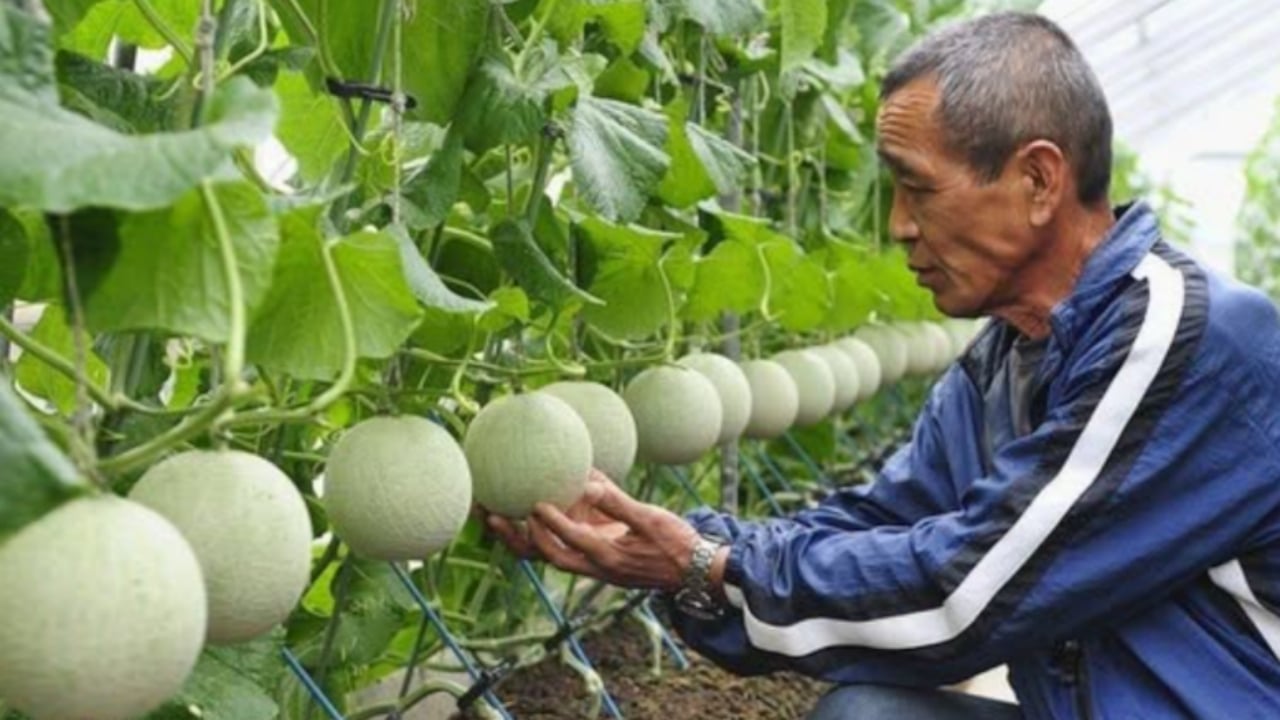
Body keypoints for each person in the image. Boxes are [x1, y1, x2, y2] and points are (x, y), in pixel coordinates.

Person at [486, 11, 1280, 719]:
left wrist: (707, 564)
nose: (899, 226)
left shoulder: (1179, 334)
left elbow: (964, 597)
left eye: (917, 189)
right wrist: (672, 551)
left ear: (1038, 181)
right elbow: (877, 522)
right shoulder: (1003, 361)